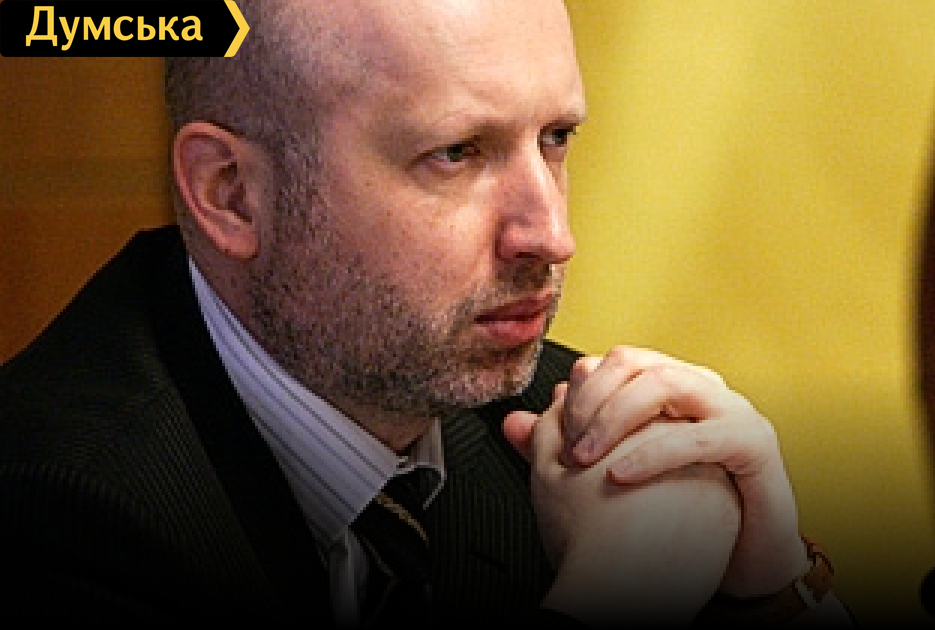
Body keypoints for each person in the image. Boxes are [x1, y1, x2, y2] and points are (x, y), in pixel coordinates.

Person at [0, 0, 853, 627]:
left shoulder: (569, 433)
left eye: (556, 139)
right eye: (455, 153)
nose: (551, 235)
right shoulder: (54, 514)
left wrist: (770, 592)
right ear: (233, 193)